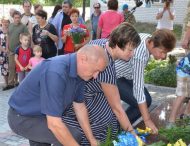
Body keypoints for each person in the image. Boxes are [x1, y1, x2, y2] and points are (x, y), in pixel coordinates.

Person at [8, 45, 109, 146]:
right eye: (96, 70)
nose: (96, 76)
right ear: (83, 59)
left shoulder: (81, 74)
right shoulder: (56, 71)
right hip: (22, 117)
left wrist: (92, 140)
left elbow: (80, 108)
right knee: (72, 135)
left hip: (41, 116)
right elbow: (54, 124)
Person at [62, 22, 141, 145]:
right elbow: (117, 108)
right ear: (118, 45)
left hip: (79, 92)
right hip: (79, 99)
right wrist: (134, 137)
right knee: (107, 120)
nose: (133, 53)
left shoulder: (101, 43)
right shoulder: (106, 66)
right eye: (130, 50)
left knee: (110, 116)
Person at [115, 29, 176, 133]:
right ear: (151, 44)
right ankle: (116, 129)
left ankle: (121, 125)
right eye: (162, 52)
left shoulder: (148, 38)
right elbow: (138, 89)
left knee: (146, 101)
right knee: (142, 102)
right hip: (115, 76)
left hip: (127, 75)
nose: (163, 57)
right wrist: (147, 120)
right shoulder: (139, 55)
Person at [3, 11, 28, 91]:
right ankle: (11, 83)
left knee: (19, 67)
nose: (17, 19)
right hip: (10, 50)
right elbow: (8, 37)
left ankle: (18, 82)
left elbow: (27, 37)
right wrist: (7, 47)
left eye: (18, 17)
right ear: (13, 18)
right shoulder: (10, 26)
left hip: (20, 51)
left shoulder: (23, 27)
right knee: (11, 67)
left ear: (20, 18)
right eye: (15, 18)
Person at [167, 53, 190, 128]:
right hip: (184, 69)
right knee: (181, 95)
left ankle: (187, 114)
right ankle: (171, 121)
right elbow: (184, 44)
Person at [0, 17, 10, 89]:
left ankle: (11, 82)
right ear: (1, 22)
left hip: (10, 51)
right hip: (1, 52)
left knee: (10, 67)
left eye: (7, 22)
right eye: (4, 22)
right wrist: (3, 50)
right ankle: (6, 83)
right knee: (4, 68)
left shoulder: (10, 31)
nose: (5, 23)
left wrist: (7, 50)